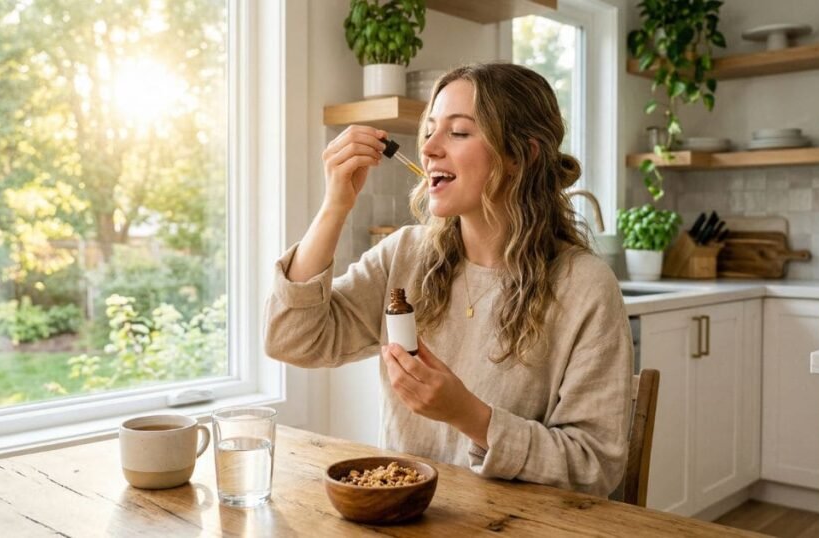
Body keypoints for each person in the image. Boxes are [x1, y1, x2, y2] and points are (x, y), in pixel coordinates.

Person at [264, 63, 632, 497]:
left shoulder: (585, 286)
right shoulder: (404, 255)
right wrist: (334, 207)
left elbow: (594, 466)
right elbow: (290, 338)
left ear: (523, 156)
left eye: (458, 132)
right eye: (429, 131)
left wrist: (469, 416)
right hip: (403, 515)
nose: (429, 148)